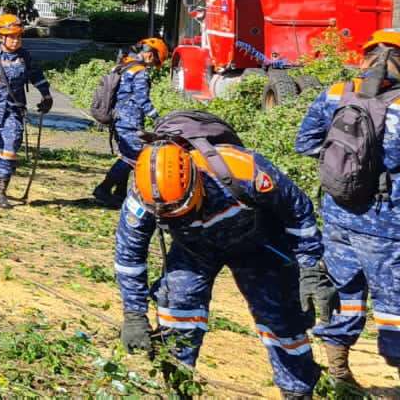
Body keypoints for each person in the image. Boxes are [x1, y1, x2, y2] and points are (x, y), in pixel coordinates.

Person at [116, 140, 333, 400]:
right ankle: (177, 389)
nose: (172, 219)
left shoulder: (243, 170)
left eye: (179, 212)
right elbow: (129, 256)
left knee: (282, 320)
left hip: (257, 245)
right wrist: (134, 314)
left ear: (195, 186)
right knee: (177, 314)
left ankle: (297, 391)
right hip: (193, 251)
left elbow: (297, 210)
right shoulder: (141, 198)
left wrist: (310, 269)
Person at [293, 28, 400, 387]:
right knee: (393, 300)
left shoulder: (336, 93)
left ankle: (339, 372)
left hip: (338, 212)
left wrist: (342, 169)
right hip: (387, 222)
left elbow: (304, 143)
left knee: (345, 293)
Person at [0, 13, 53, 208]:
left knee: (9, 151)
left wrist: (46, 96)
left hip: (12, 112)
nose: (16, 40)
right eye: (12, 36)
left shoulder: (25, 57)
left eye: (18, 36)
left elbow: (37, 76)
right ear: (1, 37)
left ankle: (0, 192)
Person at [92, 38, 168, 208]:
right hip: (129, 121)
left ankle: (119, 195)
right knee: (131, 158)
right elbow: (142, 99)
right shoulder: (140, 72)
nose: (153, 64)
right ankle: (103, 189)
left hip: (118, 119)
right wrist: (157, 117)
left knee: (125, 156)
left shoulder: (125, 66)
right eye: (155, 60)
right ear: (149, 53)